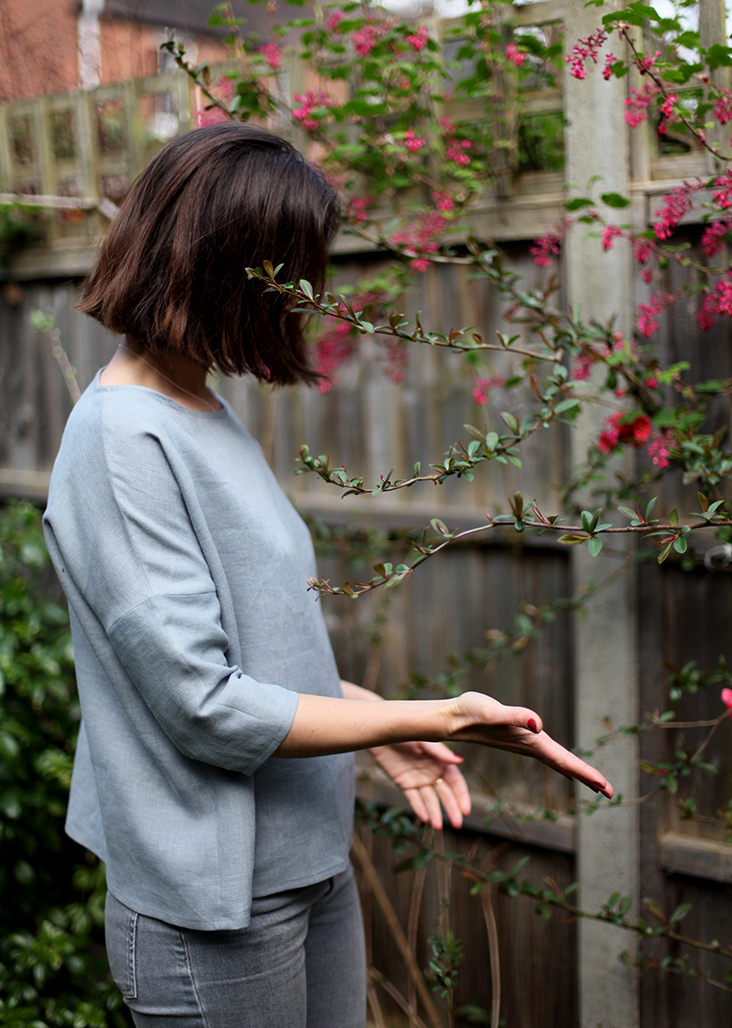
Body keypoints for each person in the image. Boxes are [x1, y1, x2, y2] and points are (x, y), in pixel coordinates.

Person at [43, 123, 613, 1028]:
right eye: (291, 269)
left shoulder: (203, 408)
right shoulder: (122, 441)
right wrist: (435, 714)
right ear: (228, 265)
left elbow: (257, 645)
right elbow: (202, 703)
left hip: (307, 864)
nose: (306, 296)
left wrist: (371, 733)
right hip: (215, 905)